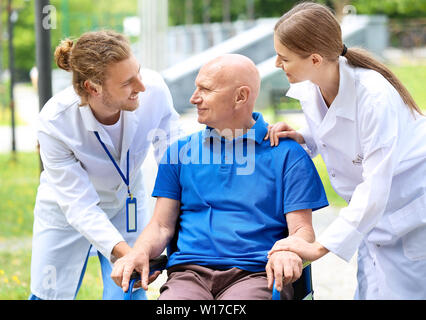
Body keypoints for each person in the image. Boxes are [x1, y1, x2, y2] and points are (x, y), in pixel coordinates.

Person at [110, 54, 329, 300]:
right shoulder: (179, 153)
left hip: (257, 274)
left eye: (205, 89)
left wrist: (289, 250)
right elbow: (161, 225)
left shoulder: (288, 154)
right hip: (188, 275)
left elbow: (302, 230)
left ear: (241, 96)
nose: (194, 98)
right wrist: (138, 251)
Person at [266, 2, 426, 299]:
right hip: (374, 226)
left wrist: (318, 247)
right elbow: (331, 132)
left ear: (314, 58)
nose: (277, 63)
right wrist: (303, 136)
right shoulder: (312, 85)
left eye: (283, 57)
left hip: (408, 217)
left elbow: (375, 187)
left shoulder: (374, 97)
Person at [29, 30, 181, 300]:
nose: (141, 87)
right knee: (49, 292)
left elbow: (175, 159)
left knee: (128, 291)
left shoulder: (154, 90)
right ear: (93, 87)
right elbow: (79, 205)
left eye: (139, 72)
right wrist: (130, 253)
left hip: (127, 202)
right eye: (127, 82)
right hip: (66, 211)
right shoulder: (55, 122)